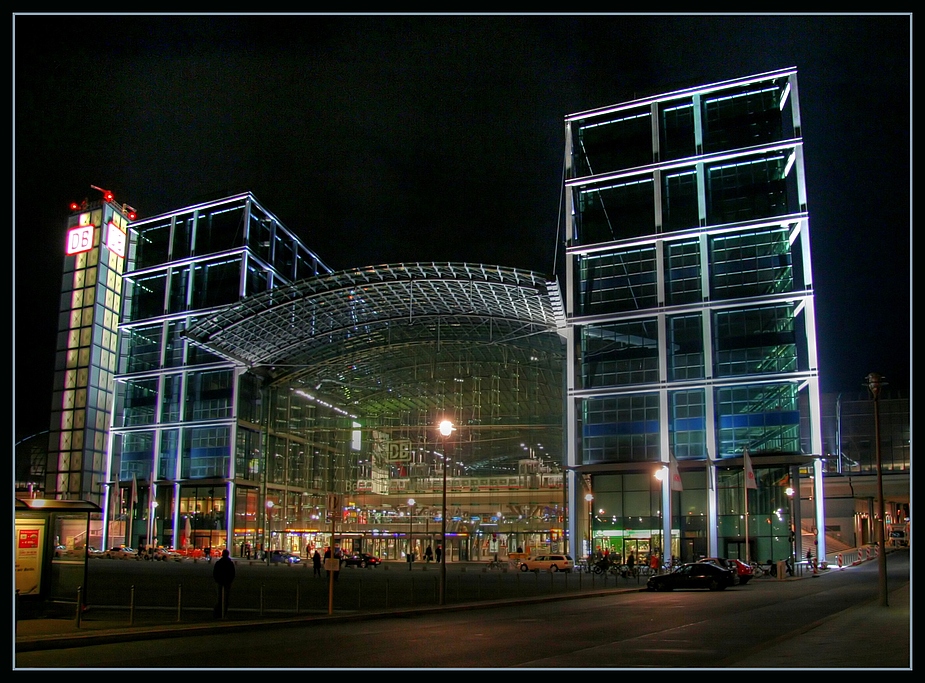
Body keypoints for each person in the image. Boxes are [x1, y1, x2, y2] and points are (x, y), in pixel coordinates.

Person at [212, 548, 235, 618]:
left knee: (219, 597)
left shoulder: (219, 563)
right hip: (227, 582)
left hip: (220, 581)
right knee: (226, 597)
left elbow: (215, 572)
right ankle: (224, 611)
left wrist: (217, 580)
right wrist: (230, 580)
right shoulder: (230, 563)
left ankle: (218, 612)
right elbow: (232, 573)